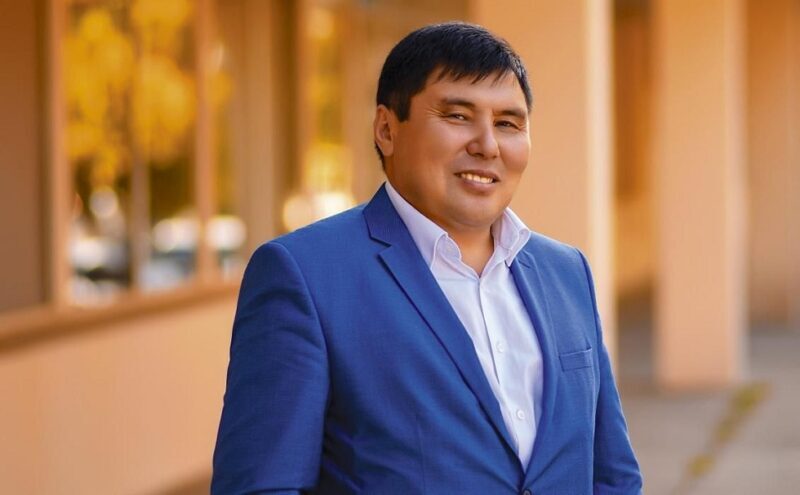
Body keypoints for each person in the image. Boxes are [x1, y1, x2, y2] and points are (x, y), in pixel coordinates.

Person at [212, 21, 642, 495]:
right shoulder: (305, 276)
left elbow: (613, 477)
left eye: (508, 123)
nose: (487, 145)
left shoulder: (567, 272)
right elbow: (261, 486)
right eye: (457, 116)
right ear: (386, 130)